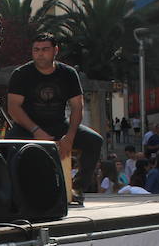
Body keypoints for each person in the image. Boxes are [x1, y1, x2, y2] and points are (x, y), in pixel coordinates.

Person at [6, 33, 103, 202]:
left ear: (55, 50)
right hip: (28, 126)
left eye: (45, 49)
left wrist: (70, 137)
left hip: (59, 124)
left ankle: (77, 189)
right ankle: (15, 194)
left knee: (94, 140)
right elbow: (13, 108)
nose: (40, 54)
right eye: (36, 50)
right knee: (8, 146)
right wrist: (36, 130)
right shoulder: (21, 74)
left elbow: (77, 107)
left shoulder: (68, 74)